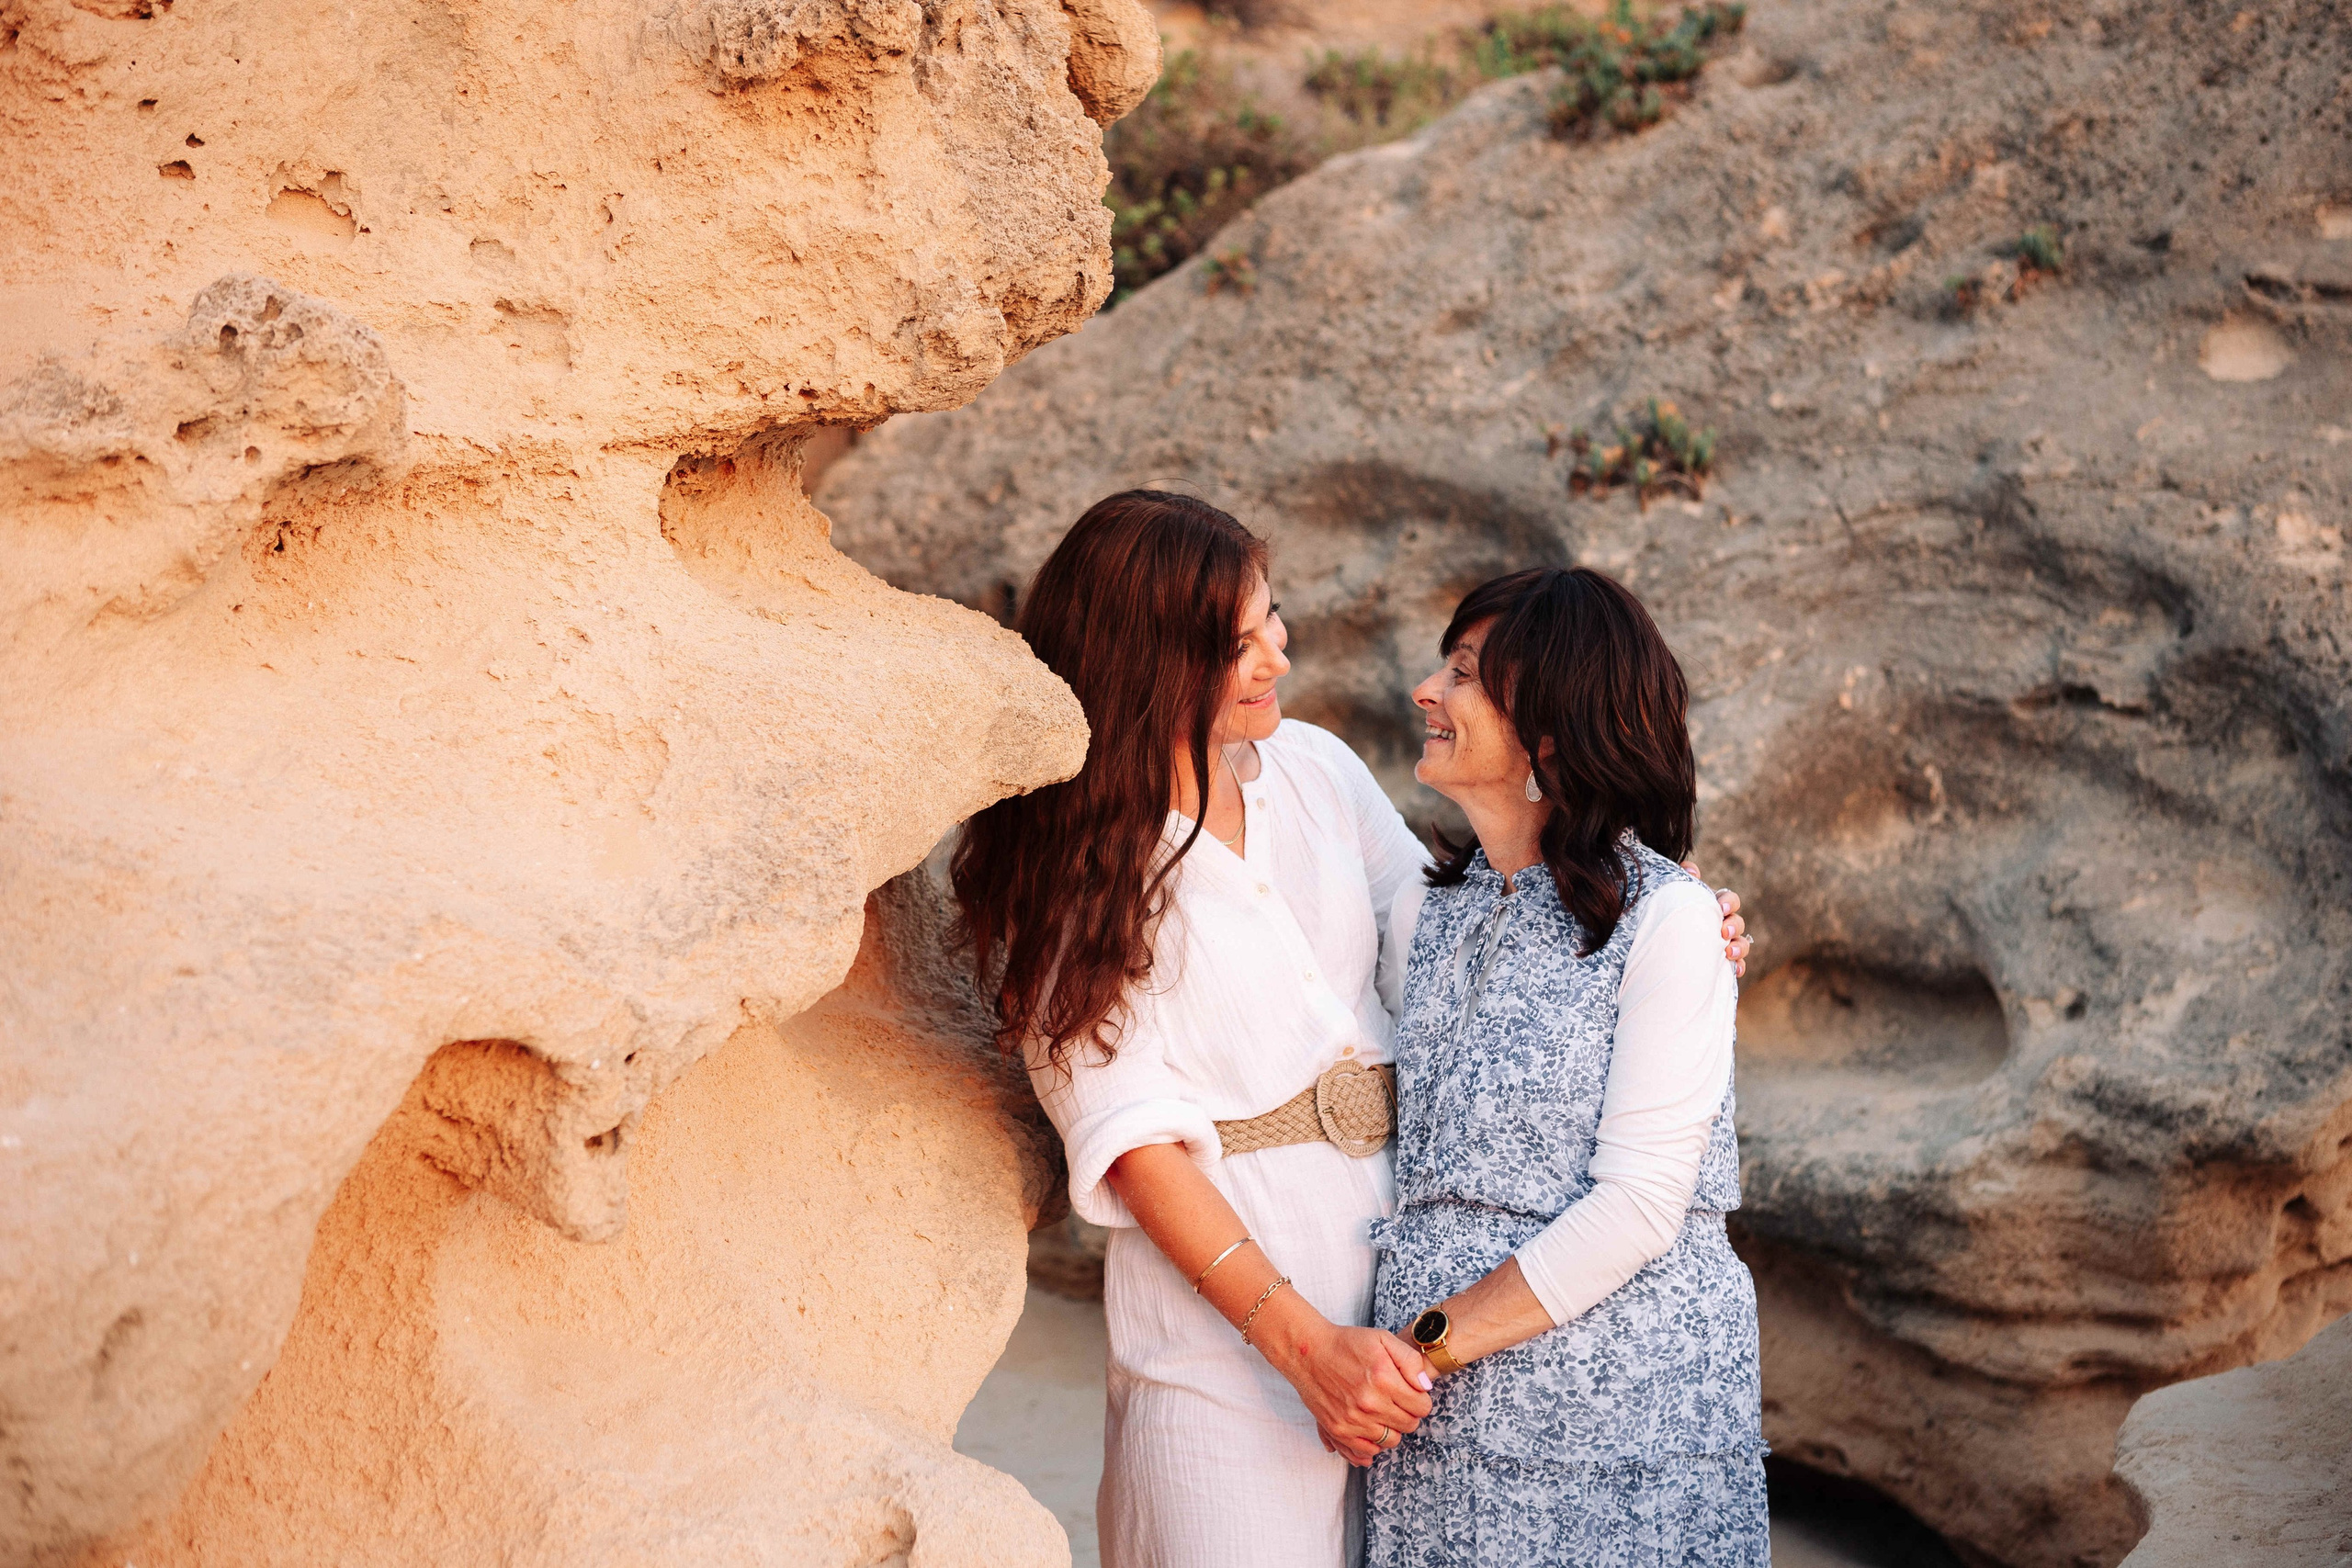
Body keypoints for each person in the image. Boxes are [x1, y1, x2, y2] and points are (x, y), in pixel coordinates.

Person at [951, 492, 1749, 1568]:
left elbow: (1462, 916)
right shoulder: (1070, 870)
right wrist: (1307, 1348)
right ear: (1148, 660)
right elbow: (1135, 1147)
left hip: (1412, 1336)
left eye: (1270, 619)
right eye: (1235, 644)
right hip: (1232, 1338)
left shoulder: (1316, 771)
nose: (1275, 655)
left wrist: (1661, 910)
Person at [1364, 567, 1768, 1567]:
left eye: (1461, 673)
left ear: (1550, 730)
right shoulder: (1424, 912)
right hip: (1435, 1430)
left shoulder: (1668, 920)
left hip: (1617, 1424)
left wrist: (1416, 1351)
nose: (1426, 691)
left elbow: (1638, 1205)